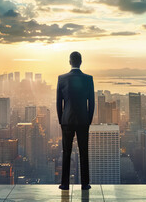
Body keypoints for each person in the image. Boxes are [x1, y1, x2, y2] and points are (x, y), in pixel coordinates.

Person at [56, 51, 95, 190]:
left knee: (66, 152)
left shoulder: (62, 78)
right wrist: (88, 120)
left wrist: (61, 120)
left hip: (67, 121)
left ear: (69, 62)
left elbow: (58, 103)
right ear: (81, 62)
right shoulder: (88, 79)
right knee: (84, 152)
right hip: (83, 121)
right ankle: (85, 184)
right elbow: (92, 103)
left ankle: (65, 184)